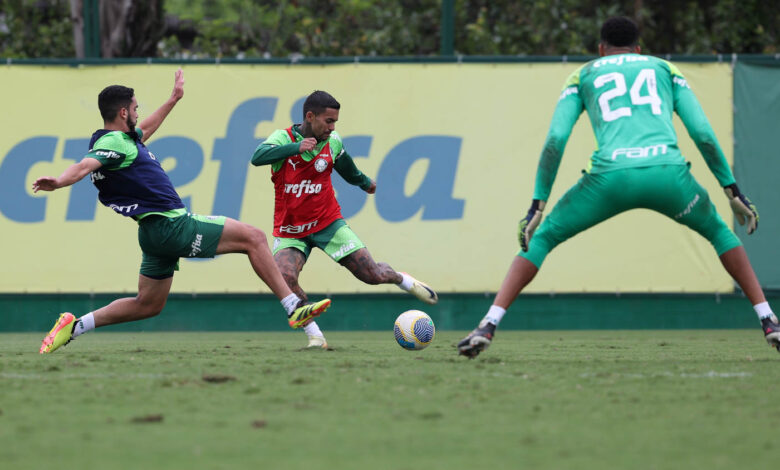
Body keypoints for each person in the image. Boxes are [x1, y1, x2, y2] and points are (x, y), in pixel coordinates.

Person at [457, 16, 778, 358]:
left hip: (609, 179)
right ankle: (769, 319)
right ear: (639, 49)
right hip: (668, 177)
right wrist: (732, 191)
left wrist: (537, 204)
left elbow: (555, 140)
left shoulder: (583, 75)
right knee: (719, 232)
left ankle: (488, 324)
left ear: (600, 50)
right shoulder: (665, 69)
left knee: (545, 236)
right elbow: (703, 134)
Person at [36, 69, 330, 354]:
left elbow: (146, 129)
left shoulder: (126, 141)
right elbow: (84, 165)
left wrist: (174, 98)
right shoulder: (112, 142)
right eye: (135, 108)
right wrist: (59, 181)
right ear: (123, 113)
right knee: (253, 237)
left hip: (152, 234)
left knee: (148, 304)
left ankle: (72, 328)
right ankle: (293, 307)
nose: (139, 113)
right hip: (172, 226)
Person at [251, 90, 438, 348]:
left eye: (335, 122)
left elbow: (346, 167)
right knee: (284, 276)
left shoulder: (333, 141)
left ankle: (401, 279)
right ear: (310, 116)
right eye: (328, 121)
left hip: (328, 223)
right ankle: (315, 336)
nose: (332, 127)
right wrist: (295, 147)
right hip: (291, 229)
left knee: (371, 275)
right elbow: (257, 157)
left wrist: (364, 183)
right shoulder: (283, 138)